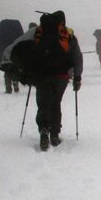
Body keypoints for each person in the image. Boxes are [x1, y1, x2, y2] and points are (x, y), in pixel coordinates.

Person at [27, 11, 82, 150]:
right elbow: (77, 58)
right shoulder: (68, 35)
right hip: (62, 75)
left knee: (43, 103)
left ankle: (44, 129)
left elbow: (26, 50)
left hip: (41, 74)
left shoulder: (37, 33)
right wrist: (77, 77)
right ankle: (55, 134)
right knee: (56, 102)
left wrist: (28, 71)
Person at [0, 19, 24, 93]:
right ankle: (16, 86)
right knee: (15, 70)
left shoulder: (2, 31)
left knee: (7, 71)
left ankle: (8, 88)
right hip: (15, 55)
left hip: (4, 55)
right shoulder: (17, 32)